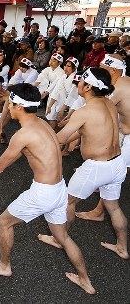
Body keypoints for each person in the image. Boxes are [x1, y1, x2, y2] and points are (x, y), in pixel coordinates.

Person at [0, 83, 96, 295]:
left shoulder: (23, 135)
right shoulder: (42, 123)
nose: (8, 107)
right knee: (62, 237)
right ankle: (85, 280)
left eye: (10, 104)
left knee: (4, 222)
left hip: (43, 192)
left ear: (18, 106)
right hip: (59, 188)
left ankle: (4, 266)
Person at [55, 67, 128, 260]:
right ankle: (122, 247)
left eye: (80, 81)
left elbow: (60, 139)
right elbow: (94, 129)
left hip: (96, 167)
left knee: (67, 202)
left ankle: (60, 239)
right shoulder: (109, 103)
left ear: (87, 86)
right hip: (117, 163)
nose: (77, 84)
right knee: (113, 207)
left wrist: (40, 132)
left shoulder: (84, 111)